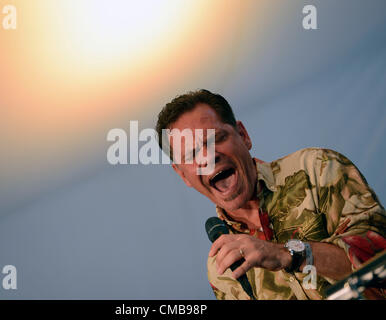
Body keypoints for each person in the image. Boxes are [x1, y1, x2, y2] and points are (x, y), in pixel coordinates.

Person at [155, 89, 386, 300]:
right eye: (192, 154)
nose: (208, 157)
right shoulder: (220, 268)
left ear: (243, 135)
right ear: (183, 175)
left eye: (217, 138)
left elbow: (380, 264)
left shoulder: (318, 168)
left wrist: (289, 253)